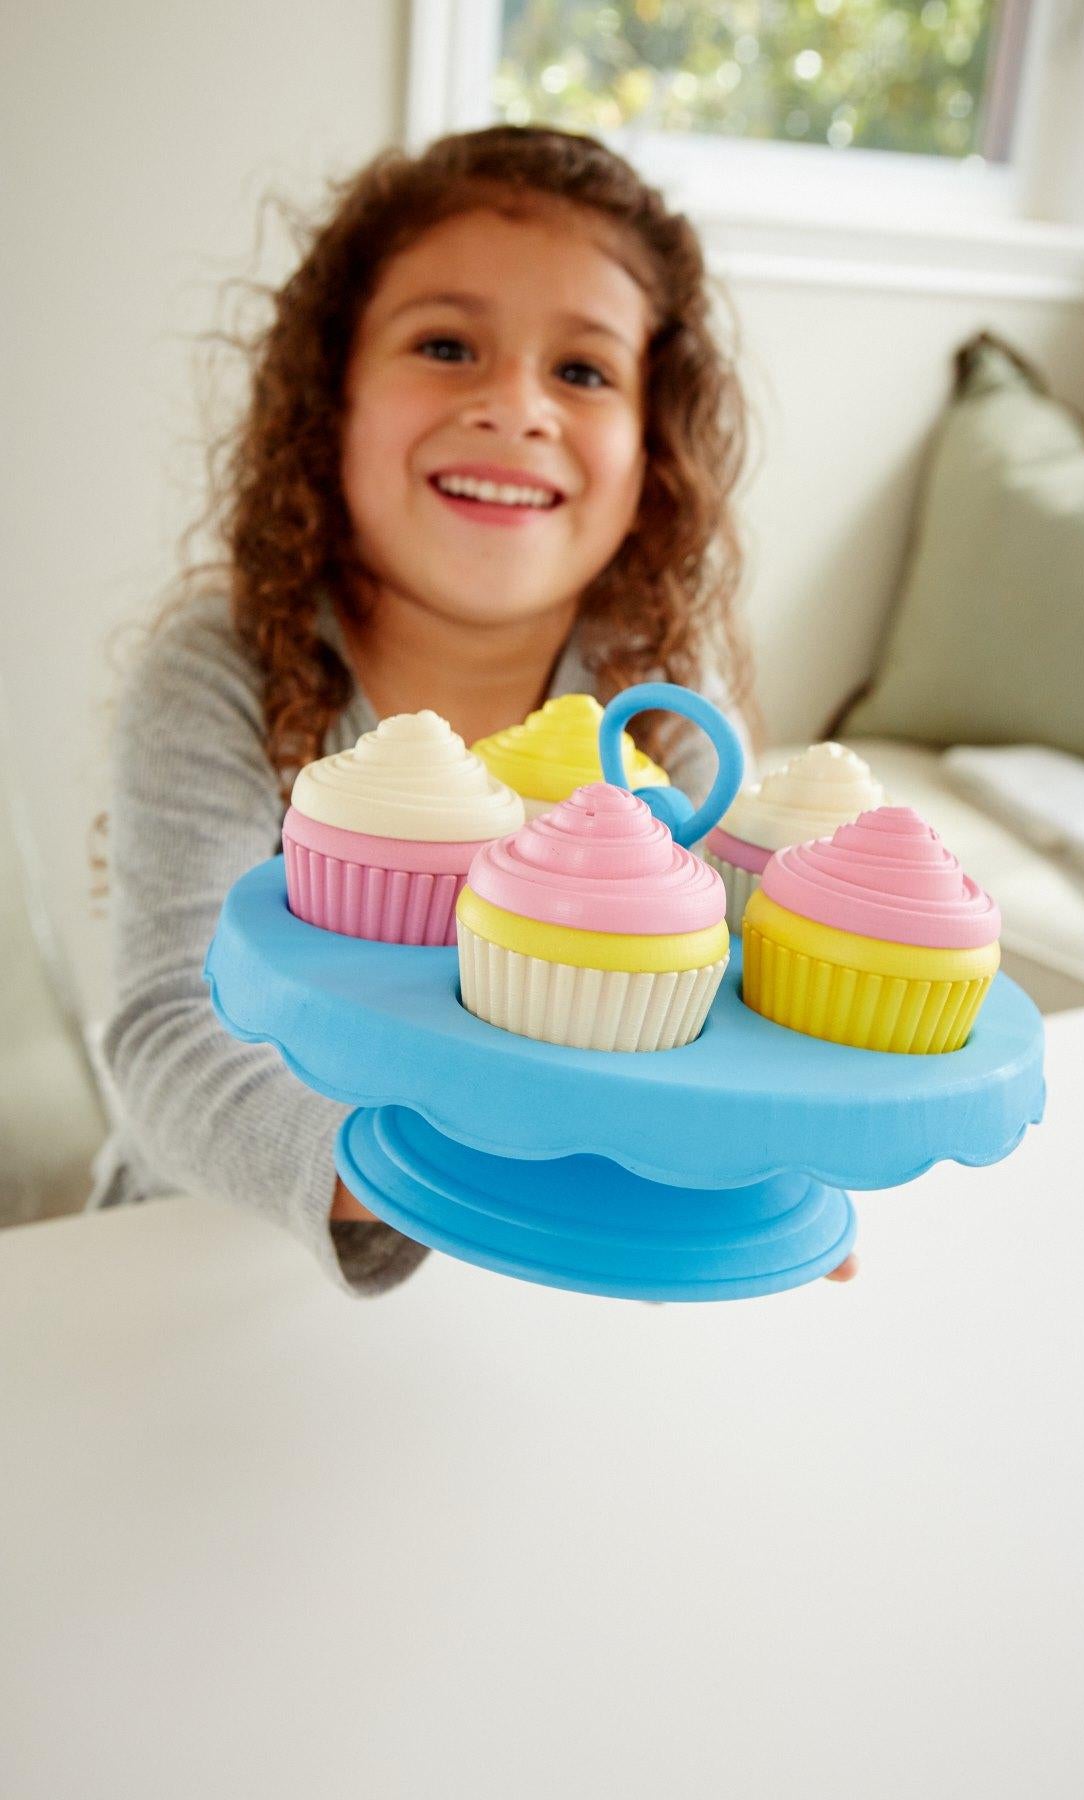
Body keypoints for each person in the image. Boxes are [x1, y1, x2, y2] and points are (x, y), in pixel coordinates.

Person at [91, 124, 857, 1292]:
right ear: (331, 399)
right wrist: (437, 1178)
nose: (515, 406)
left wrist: (755, 1171)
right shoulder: (220, 673)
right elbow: (166, 1035)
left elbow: (718, 1014)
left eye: (583, 372)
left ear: (651, 452)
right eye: (446, 346)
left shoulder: (667, 719)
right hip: (195, 1254)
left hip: (535, 1273)